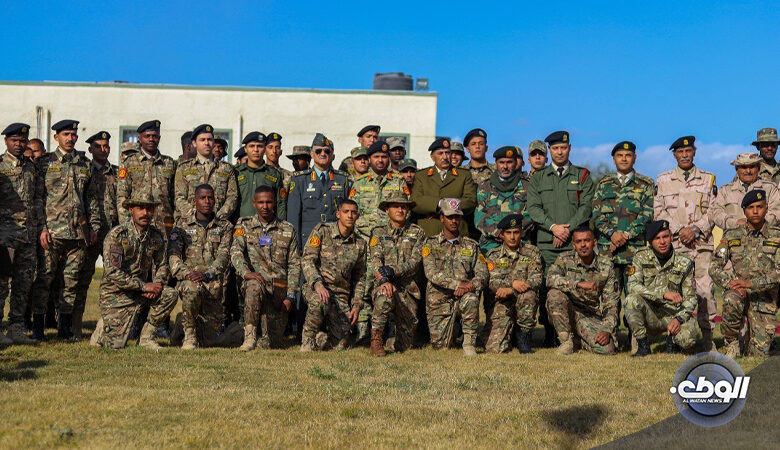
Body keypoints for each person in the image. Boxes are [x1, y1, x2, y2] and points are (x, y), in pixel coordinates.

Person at [30, 119, 99, 340]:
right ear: (56, 137)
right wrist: (42, 228)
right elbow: (38, 199)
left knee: (71, 282)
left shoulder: (84, 163)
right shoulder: (44, 163)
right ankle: (38, 328)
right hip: (52, 233)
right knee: (45, 280)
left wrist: (94, 226)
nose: (70, 138)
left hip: (77, 234)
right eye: (66, 134)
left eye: (73, 134)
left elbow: (91, 198)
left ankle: (65, 328)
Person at [526, 130, 595, 347]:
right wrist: (554, 227)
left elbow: (586, 207)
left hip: (574, 244)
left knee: (575, 286)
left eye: (563, 148)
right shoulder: (538, 178)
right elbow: (533, 208)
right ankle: (550, 333)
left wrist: (568, 229)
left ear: (569, 149)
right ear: (549, 150)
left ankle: (578, 331)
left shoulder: (582, 175)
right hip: (547, 243)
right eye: (555, 148)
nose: (559, 152)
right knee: (547, 287)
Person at [654, 135, 717, 351]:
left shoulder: (708, 179)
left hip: (701, 246)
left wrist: (696, 229)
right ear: (674, 155)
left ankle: (708, 339)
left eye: (688, 151)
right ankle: (677, 339)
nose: (684, 155)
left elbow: (714, 211)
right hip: (676, 246)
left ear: (694, 152)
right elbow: (658, 211)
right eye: (680, 152)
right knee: (675, 291)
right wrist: (680, 230)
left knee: (705, 291)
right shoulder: (663, 180)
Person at [287, 133, 351, 340]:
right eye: (319, 151)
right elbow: (293, 216)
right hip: (307, 242)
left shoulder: (342, 180)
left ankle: (327, 330)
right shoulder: (300, 180)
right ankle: (302, 332)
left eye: (327, 151)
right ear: (312, 155)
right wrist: (296, 244)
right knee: (305, 284)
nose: (323, 153)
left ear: (333, 155)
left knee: (330, 284)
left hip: (333, 243)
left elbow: (347, 212)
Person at [91, 195, 177, 350]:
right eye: (140, 208)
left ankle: (146, 338)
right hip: (116, 294)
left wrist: (157, 284)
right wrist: (144, 286)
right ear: (131, 210)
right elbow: (112, 272)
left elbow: (163, 265)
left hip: (141, 292)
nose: (145, 213)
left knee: (169, 295)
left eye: (149, 209)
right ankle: (103, 327)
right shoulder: (117, 235)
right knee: (115, 346)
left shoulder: (156, 236)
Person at [711, 190, 780, 357]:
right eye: (750, 207)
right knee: (730, 299)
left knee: (758, 354)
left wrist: (749, 284)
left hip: (764, 297)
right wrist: (731, 284)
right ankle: (731, 342)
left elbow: (778, 272)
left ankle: (759, 342)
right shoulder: (731, 235)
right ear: (744, 210)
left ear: (766, 208)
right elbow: (714, 266)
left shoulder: (777, 236)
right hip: (738, 293)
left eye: (759, 207)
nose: (755, 211)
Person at [231, 186, 300, 350]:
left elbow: (294, 264)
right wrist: (246, 273)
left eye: (269, 202)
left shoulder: (287, 229)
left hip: (278, 292)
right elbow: (235, 252)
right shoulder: (244, 225)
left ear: (274, 202)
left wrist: (290, 296)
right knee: (254, 286)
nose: (265, 206)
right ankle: (249, 337)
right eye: (261, 202)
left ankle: (259, 336)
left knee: (271, 343)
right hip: (255, 284)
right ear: (254, 203)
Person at [168, 184, 233, 349]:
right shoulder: (181, 225)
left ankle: (182, 323)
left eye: (210, 198)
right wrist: (188, 274)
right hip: (190, 281)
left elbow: (224, 256)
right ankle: (189, 335)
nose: (207, 201)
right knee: (192, 289)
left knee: (208, 341)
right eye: (202, 198)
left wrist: (208, 274)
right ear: (194, 201)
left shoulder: (225, 227)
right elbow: (174, 257)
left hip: (213, 284)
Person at [420, 198, 488, 356]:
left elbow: (483, 272)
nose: (454, 221)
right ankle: (456, 329)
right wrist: (457, 285)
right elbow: (431, 273)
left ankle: (469, 343)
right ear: (441, 218)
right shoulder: (430, 244)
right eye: (450, 217)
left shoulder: (471, 245)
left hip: (464, 296)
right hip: (440, 300)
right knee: (441, 346)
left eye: (457, 217)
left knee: (471, 299)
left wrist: (470, 285)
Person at [299, 199, 367, 351]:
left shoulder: (360, 243)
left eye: (353, 212)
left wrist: (356, 305)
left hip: (340, 295)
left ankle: (321, 338)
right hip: (317, 288)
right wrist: (317, 284)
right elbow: (307, 260)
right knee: (319, 301)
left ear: (357, 216)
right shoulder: (322, 231)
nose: (350, 215)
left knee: (341, 345)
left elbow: (360, 278)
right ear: (338, 214)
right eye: (346, 212)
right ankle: (308, 340)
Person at [625, 220, 700, 356]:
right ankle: (643, 345)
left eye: (665, 237)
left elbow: (691, 298)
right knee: (631, 300)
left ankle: (673, 341)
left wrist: (679, 319)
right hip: (650, 314)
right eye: (657, 238)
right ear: (650, 242)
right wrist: (663, 294)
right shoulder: (640, 257)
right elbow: (632, 286)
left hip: (673, 313)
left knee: (688, 339)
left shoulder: (685, 262)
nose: (662, 242)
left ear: (671, 236)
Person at [592, 141, 655, 301]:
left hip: (633, 251)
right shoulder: (604, 184)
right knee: (609, 299)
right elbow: (597, 215)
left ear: (635, 158)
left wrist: (626, 235)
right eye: (620, 155)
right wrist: (612, 234)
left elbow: (647, 215)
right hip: (608, 251)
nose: (624, 159)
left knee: (634, 298)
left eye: (628, 155)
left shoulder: (646, 184)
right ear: (614, 159)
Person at [366, 190, 425, 356]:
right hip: (385, 285)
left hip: (408, 289)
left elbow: (415, 262)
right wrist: (384, 280)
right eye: (396, 206)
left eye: (404, 207)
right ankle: (376, 340)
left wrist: (394, 271)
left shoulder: (417, 232)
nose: (400, 210)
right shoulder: (378, 232)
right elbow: (375, 260)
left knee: (405, 346)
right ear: (387, 210)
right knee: (384, 297)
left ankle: (391, 339)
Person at [73, 131, 119, 339]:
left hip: (112, 233)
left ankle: (112, 325)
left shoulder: (117, 172)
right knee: (82, 280)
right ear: (90, 149)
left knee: (114, 280)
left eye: (106, 146)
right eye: (98, 146)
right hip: (90, 233)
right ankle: (75, 326)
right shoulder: (84, 170)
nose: (103, 150)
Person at [546, 226, 619, 355]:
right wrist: (578, 284)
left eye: (587, 240)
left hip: (589, 315)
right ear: (573, 245)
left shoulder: (606, 266)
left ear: (594, 242)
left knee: (607, 349)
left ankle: (578, 340)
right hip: (566, 312)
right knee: (554, 294)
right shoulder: (564, 259)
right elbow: (550, 279)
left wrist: (607, 329)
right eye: (579, 241)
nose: (583, 245)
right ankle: (566, 342)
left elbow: (611, 304)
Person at [0, 123, 40, 344]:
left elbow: (37, 199)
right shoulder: (0, 166)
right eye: (14, 140)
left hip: (28, 236)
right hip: (5, 236)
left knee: (23, 285)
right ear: (6, 141)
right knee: (1, 284)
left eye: (23, 141)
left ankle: (16, 328)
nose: (19, 144)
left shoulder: (30, 168)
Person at [483, 215, 543, 353]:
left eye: (516, 232)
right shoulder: (493, 255)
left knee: (529, 295)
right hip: (502, 302)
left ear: (521, 232)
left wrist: (511, 290)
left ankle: (524, 337)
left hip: (523, 301)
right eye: (508, 233)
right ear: (502, 235)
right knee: (495, 348)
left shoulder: (532, 252)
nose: (512, 237)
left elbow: (537, 279)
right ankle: (509, 333)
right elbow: (492, 282)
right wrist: (513, 283)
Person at [117, 120, 177, 236]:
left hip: (164, 226)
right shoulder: (128, 163)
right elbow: (122, 197)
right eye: (147, 136)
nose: (151, 139)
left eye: (155, 136)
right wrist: (126, 225)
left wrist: (175, 224)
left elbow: (175, 198)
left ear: (159, 138)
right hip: (137, 226)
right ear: (139, 139)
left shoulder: (170, 163)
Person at [411, 137, 477, 237]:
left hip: (456, 232)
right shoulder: (421, 176)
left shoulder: (464, 175)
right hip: (429, 232)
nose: (445, 157)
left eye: (447, 153)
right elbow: (415, 201)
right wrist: (439, 203)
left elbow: (470, 201)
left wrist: (445, 207)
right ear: (432, 157)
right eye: (440, 153)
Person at [174, 124, 238, 221]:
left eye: (210, 139)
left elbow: (232, 197)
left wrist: (217, 217)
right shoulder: (184, 168)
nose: (207, 143)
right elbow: (179, 198)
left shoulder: (226, 169)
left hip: (218, 223)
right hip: (190, 223)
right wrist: (197, 217)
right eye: (202, 140)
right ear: (194, 143)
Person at [349, 140, 410, 240]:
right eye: (376, 157)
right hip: (364, 237)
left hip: (390, 238)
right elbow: (352, 210)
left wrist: (395, 231)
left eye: (384, 157)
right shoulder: (360, 182)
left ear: (389, 159)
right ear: (369, 159)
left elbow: (407, 210)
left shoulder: (398, 181)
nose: (380, 160)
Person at [475, 146, 530, 253]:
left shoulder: (527, 186)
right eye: (501, 162)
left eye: (509, 162)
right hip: (490, 245)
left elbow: (531, 213)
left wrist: (510, 233)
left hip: (519, 244)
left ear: (515, 163)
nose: (505, 166)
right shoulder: (484, 187)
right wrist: (497, 232)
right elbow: (479, 216)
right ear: (496, 164)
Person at [709, 152, 780, 229]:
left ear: (758, 168)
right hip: (733, 234)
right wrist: (735, 223)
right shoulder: (725, 191)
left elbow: (776, 212)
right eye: (744, 167)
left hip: (763, 234)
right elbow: (716, 213)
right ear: (737, 169)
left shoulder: (770, 188)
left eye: (752, 167)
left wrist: (754, 224)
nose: (748, 171)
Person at [233, 131, 285, 220]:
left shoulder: (274, 174)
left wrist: (280, 225)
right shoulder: (235, 172)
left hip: (266, 226)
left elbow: (280, 204)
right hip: (239, 225)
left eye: (259, 146)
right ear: (245, 149)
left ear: (264, 149)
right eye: (252, 146)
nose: (256, 150)